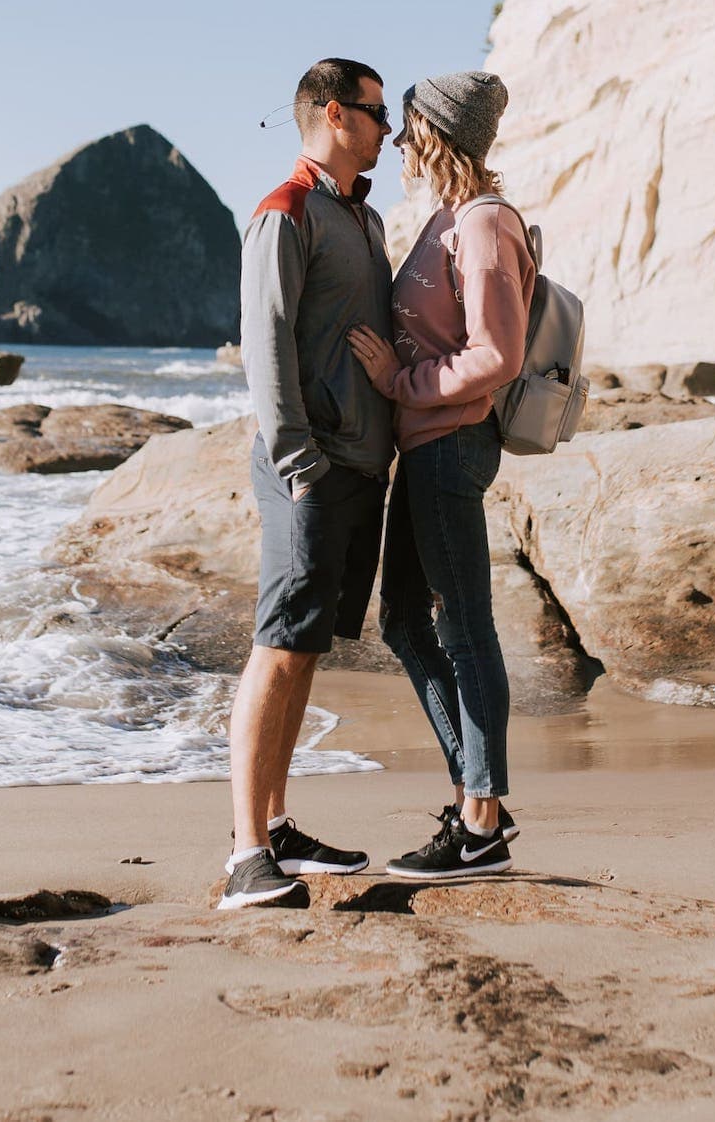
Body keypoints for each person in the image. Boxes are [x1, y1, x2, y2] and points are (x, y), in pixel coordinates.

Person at [219, 57, 397, 911]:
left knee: (307, 651)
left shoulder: (363, 218)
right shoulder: (285, 212)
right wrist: (302, 466)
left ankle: (279, 825)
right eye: (376, 111)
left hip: (358, 466)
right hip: (311, 469)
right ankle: (246, 854)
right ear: (334, 113)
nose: (389, 128)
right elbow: (266, 348)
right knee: (279, 646)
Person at [345, 70, 530, 880]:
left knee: (464, 630)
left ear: (437, 133)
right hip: (424, 446)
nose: (397, 137)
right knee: (402, 622)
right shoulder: (447, 218)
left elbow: (498, 355)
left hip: (452, 442)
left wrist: (399, 383)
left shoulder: (484, 224)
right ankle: (475, 797)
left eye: (409, 123)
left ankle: (480, 823)